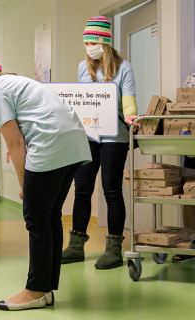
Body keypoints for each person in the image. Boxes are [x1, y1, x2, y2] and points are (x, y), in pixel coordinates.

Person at [0, 51, 91, 310]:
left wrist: (24, 186)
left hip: (51, 142)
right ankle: (46, 288)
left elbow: (15, 141)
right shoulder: (17, 82)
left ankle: (34, 291)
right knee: (50, 214)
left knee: (35, 218)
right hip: (75, 143)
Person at [61, 16, 140, 270]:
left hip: (114, 136)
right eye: (86, 43)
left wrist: (131, 114)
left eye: (92, 42)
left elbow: (128, 99)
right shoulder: (83, 68)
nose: (89, 48)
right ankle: (75, 246)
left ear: (104, 43)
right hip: (89, 135)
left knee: (111, 190)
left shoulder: (124, 68)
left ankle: (114, 249)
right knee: (82, 188)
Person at [173, 72, 195, 263]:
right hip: (192, 148)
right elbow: (183, 107)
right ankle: (190, 243)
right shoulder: (192, 78)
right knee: (189, 196)